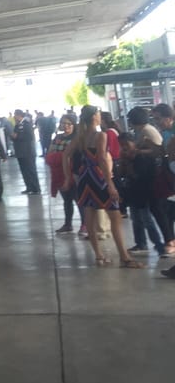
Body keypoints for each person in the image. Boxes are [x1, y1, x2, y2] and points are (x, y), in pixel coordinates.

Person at [62, 106, 143, 268]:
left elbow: (65, 155)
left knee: (89, 217)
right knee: (115, 216)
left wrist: (68, 177)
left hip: (84, 178)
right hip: (99, 178)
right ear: (94, 116)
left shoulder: (81, 137)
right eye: (98, 114)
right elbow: (102, 159)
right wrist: (110, 183)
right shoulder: (100, 135)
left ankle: (99, 256)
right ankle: (124, 257)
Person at [127, 107, 175, 253]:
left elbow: (164, 152)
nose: (156, 122)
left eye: (158, 118)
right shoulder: (163, 132)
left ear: (169, 118)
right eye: (154, 118)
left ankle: (169, 240)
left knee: (159, 207)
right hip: (166, 173)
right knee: (161, 207)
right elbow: (161, 151)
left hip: (164, 173)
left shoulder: (150, 130)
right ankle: (169, 240)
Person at [117, 133, 168, 257]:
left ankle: (159, 245)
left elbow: (140, 176)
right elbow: (122, 174)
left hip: (144, 192)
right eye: (122, 145)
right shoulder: (128, 158)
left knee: (147, 220)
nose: (124, 147)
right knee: (136, 219)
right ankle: (140, 243)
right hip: (133, 192)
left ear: (133, 143)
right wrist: (124, 162)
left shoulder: (142, 157)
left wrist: (129, 164)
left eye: (126, 144)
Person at [46, 116, 76, 233]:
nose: (66, 126)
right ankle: (68, 224)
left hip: (73, 172)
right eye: (63, 123)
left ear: (74, 124)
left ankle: (85, 224)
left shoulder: (77, 138)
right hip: (59, 172)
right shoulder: (58, 137)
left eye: (68, 123)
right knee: (67, 200)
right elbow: (50, 151)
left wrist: (60, 157)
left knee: (78, 199)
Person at [12, 109, 41, 194]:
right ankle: (29, 187)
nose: (14, 117)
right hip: (20, 152)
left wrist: (17, 137)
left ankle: (36, 188)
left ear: (19, 115)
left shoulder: (27, 124)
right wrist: (14, 137)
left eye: (15, 115)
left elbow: (30, 137)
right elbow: (14, 135)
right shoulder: (17, 125)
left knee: (31, 170)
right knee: (24, 170)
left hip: (28, 151)